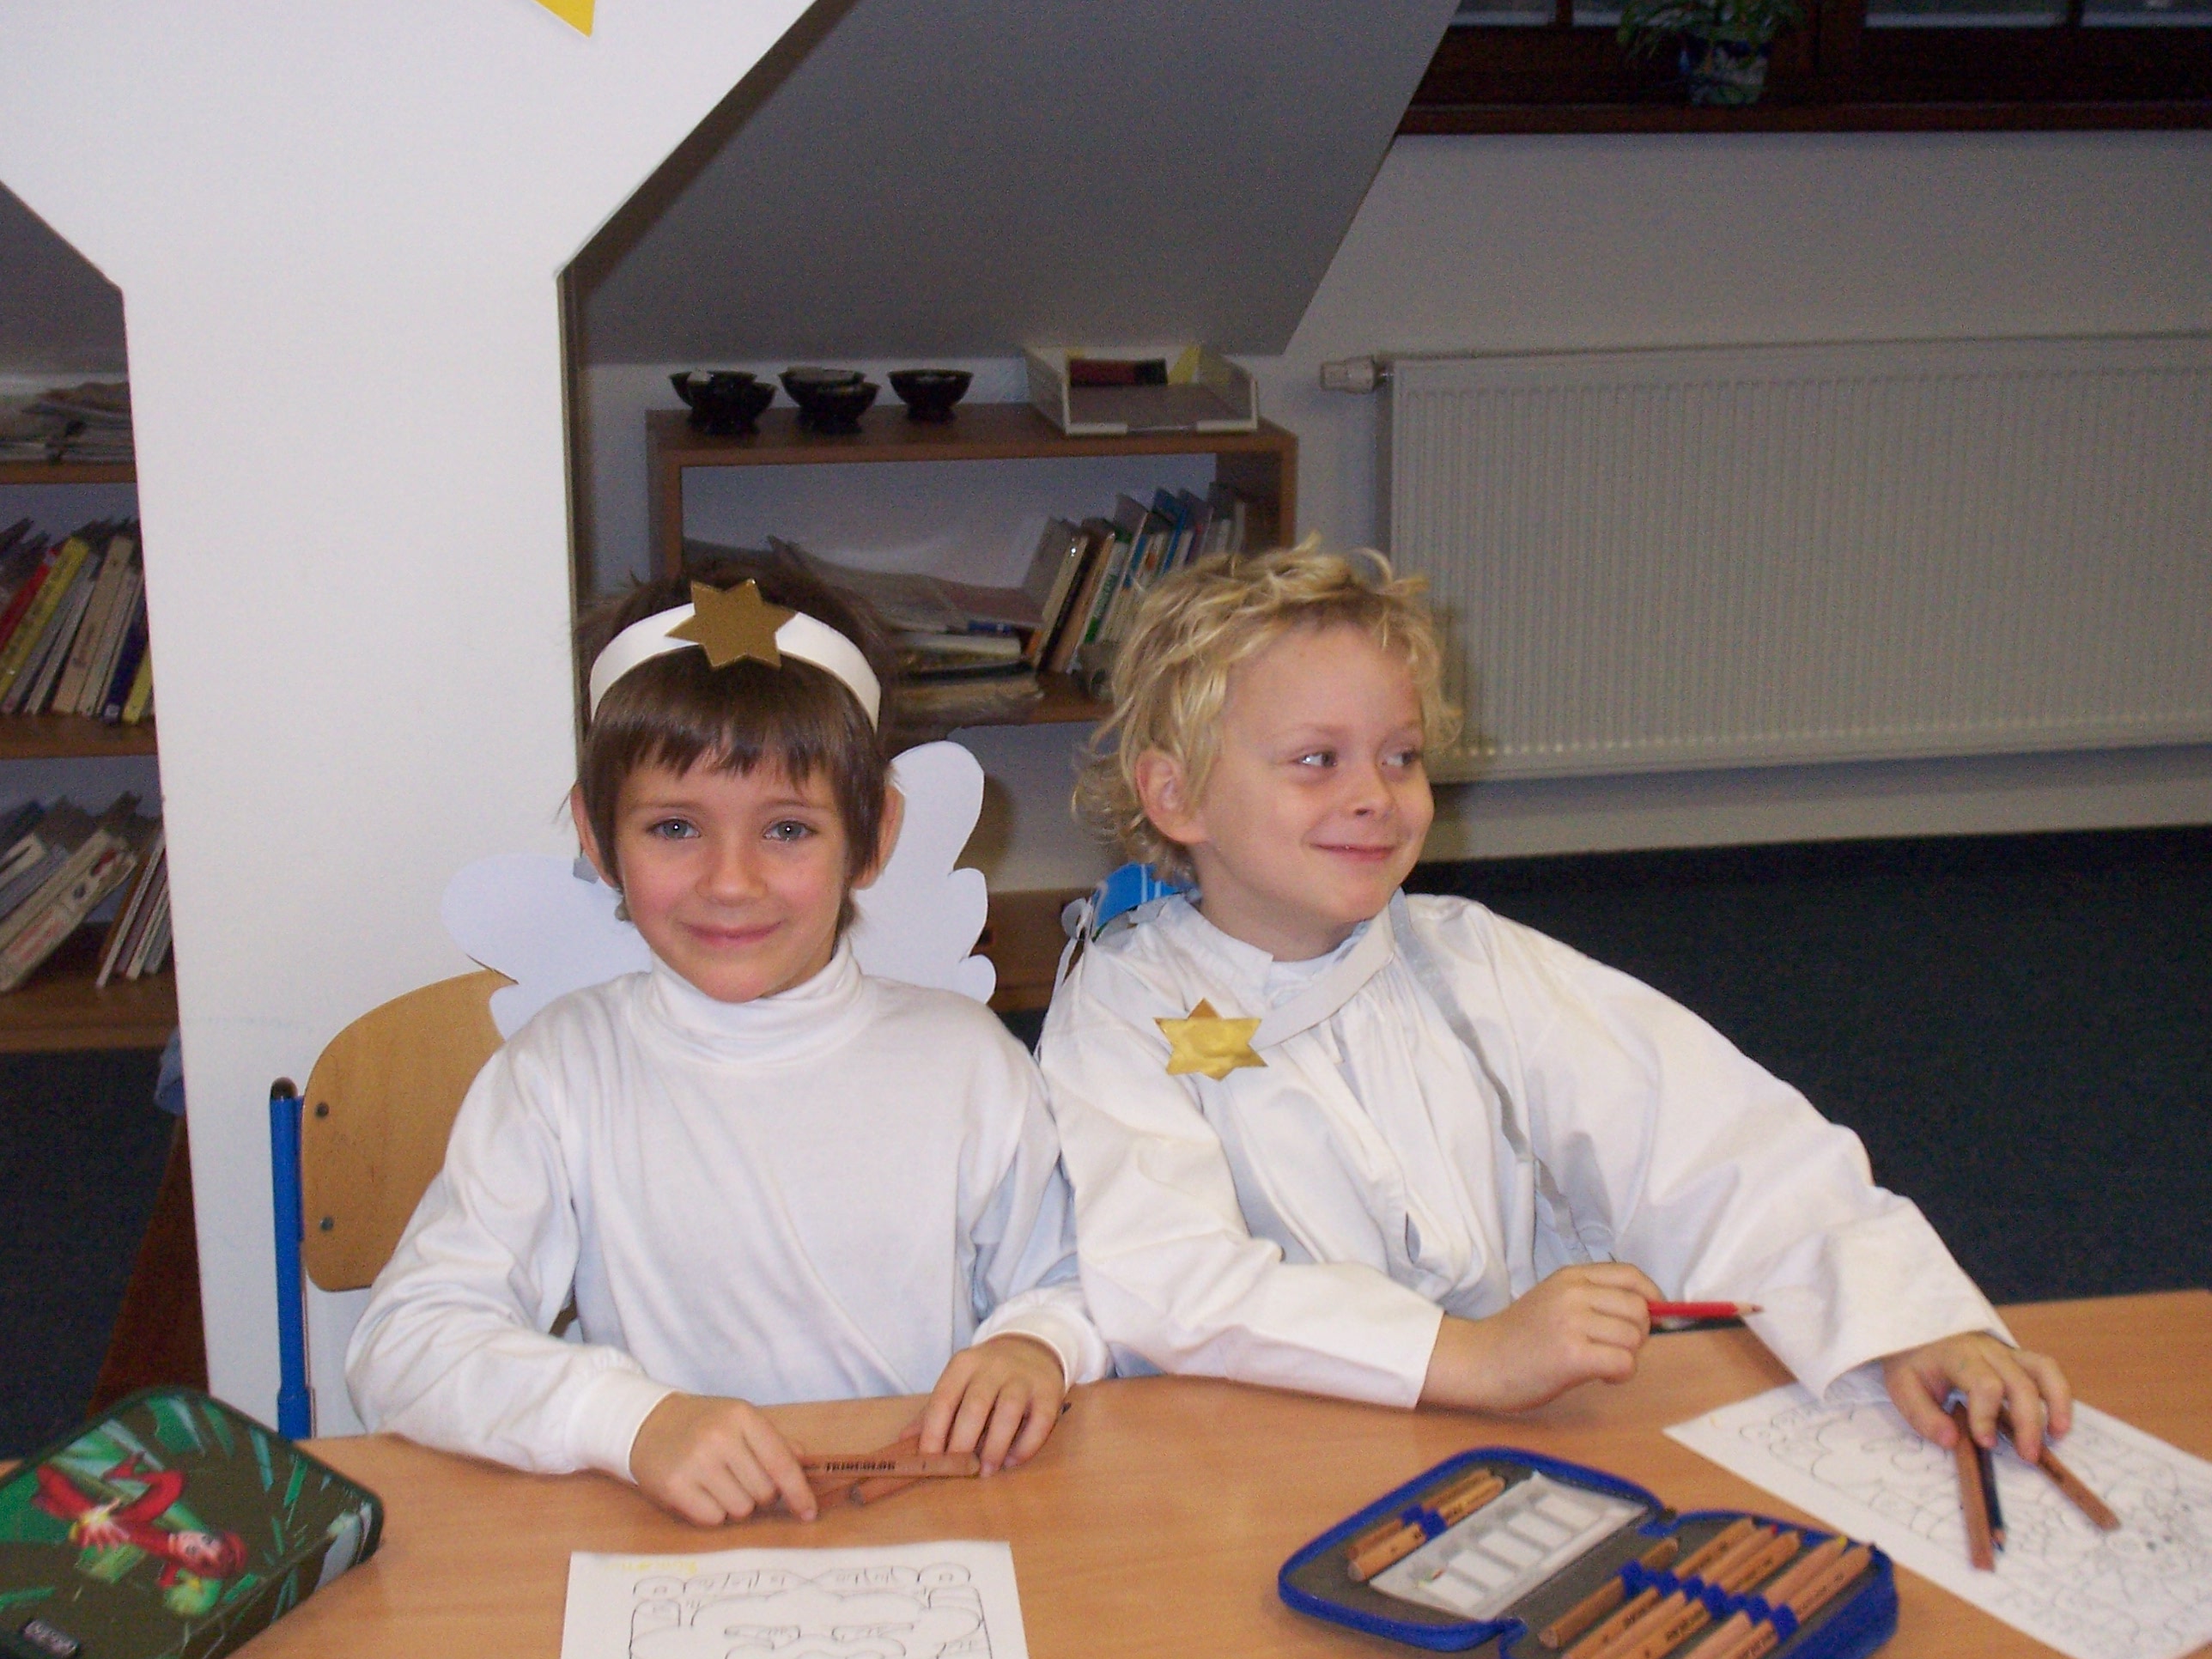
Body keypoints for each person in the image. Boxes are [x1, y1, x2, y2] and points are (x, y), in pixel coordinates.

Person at [1038, 539, 2070, 1463]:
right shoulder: (1127, 1012)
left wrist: (1901, 1320)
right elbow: (1170, 1281)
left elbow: (1705, 1139)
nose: (1373, 796)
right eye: (1317, 760)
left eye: (1400, 757)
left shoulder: (1462, 962)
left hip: (1506, 1432)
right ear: (1176, 795)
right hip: (1250, 1461)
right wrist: (1469, 1356)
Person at [348, 557, 1108, 1525]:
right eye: (675, 827)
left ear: (874, 834)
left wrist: (1036, 1343)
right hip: (667, 1539)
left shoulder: (968, 1064)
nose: (731, 881)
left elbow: (1078, 1278)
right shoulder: (562, 1071)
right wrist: (627, 1421)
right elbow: (407, 1343)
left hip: (920, 1519)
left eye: (787, 829)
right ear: (596, 836)